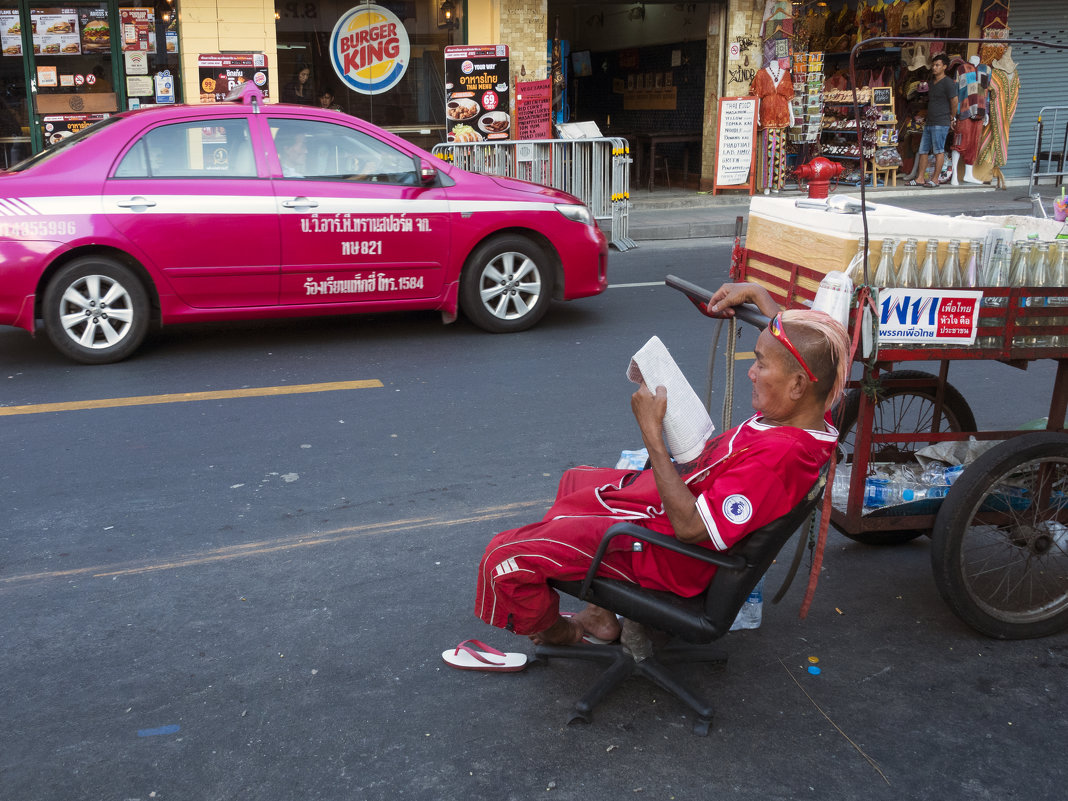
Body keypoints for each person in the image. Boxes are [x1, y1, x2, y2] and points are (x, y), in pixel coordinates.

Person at [474, 283, 850, 646]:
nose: (751, 371)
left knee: (505, 557)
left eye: (761, 364)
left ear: (798, 385)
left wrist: (653, 434)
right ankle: (600, 610)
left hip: (665, 555)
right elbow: (814, 350)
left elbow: (690, 528)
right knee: (576, 482)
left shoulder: (777, 461)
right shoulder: (815, 410)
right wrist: (761, 299)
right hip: (682, 501)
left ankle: (564, 632)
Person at [902, 52, 958, 187]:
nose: (934, 68)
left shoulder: (948, 83)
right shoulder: (932, 83)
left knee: (938, 150)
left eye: (937, 65)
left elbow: (954, 100)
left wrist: (952, 116)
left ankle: (935, 179)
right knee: (923, 150)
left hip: (941, 121)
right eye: (933, 65)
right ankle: (920, 178)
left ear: (944, 67)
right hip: (930, 121)